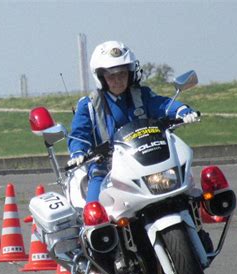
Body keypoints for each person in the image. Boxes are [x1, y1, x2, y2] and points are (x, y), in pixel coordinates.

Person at [67, 40, 199, 202]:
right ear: (101, 77)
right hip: (106, 169)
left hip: (146, 159)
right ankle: (90, 226)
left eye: (122, 73)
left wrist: (181, 110)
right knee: (95, 215)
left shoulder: (142, 95)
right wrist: (78, 152)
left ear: (130, 73)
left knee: (189, 193)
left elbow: (162, 104)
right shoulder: (88, 106)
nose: (118, 80)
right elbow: (79, 134)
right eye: (111, 75)